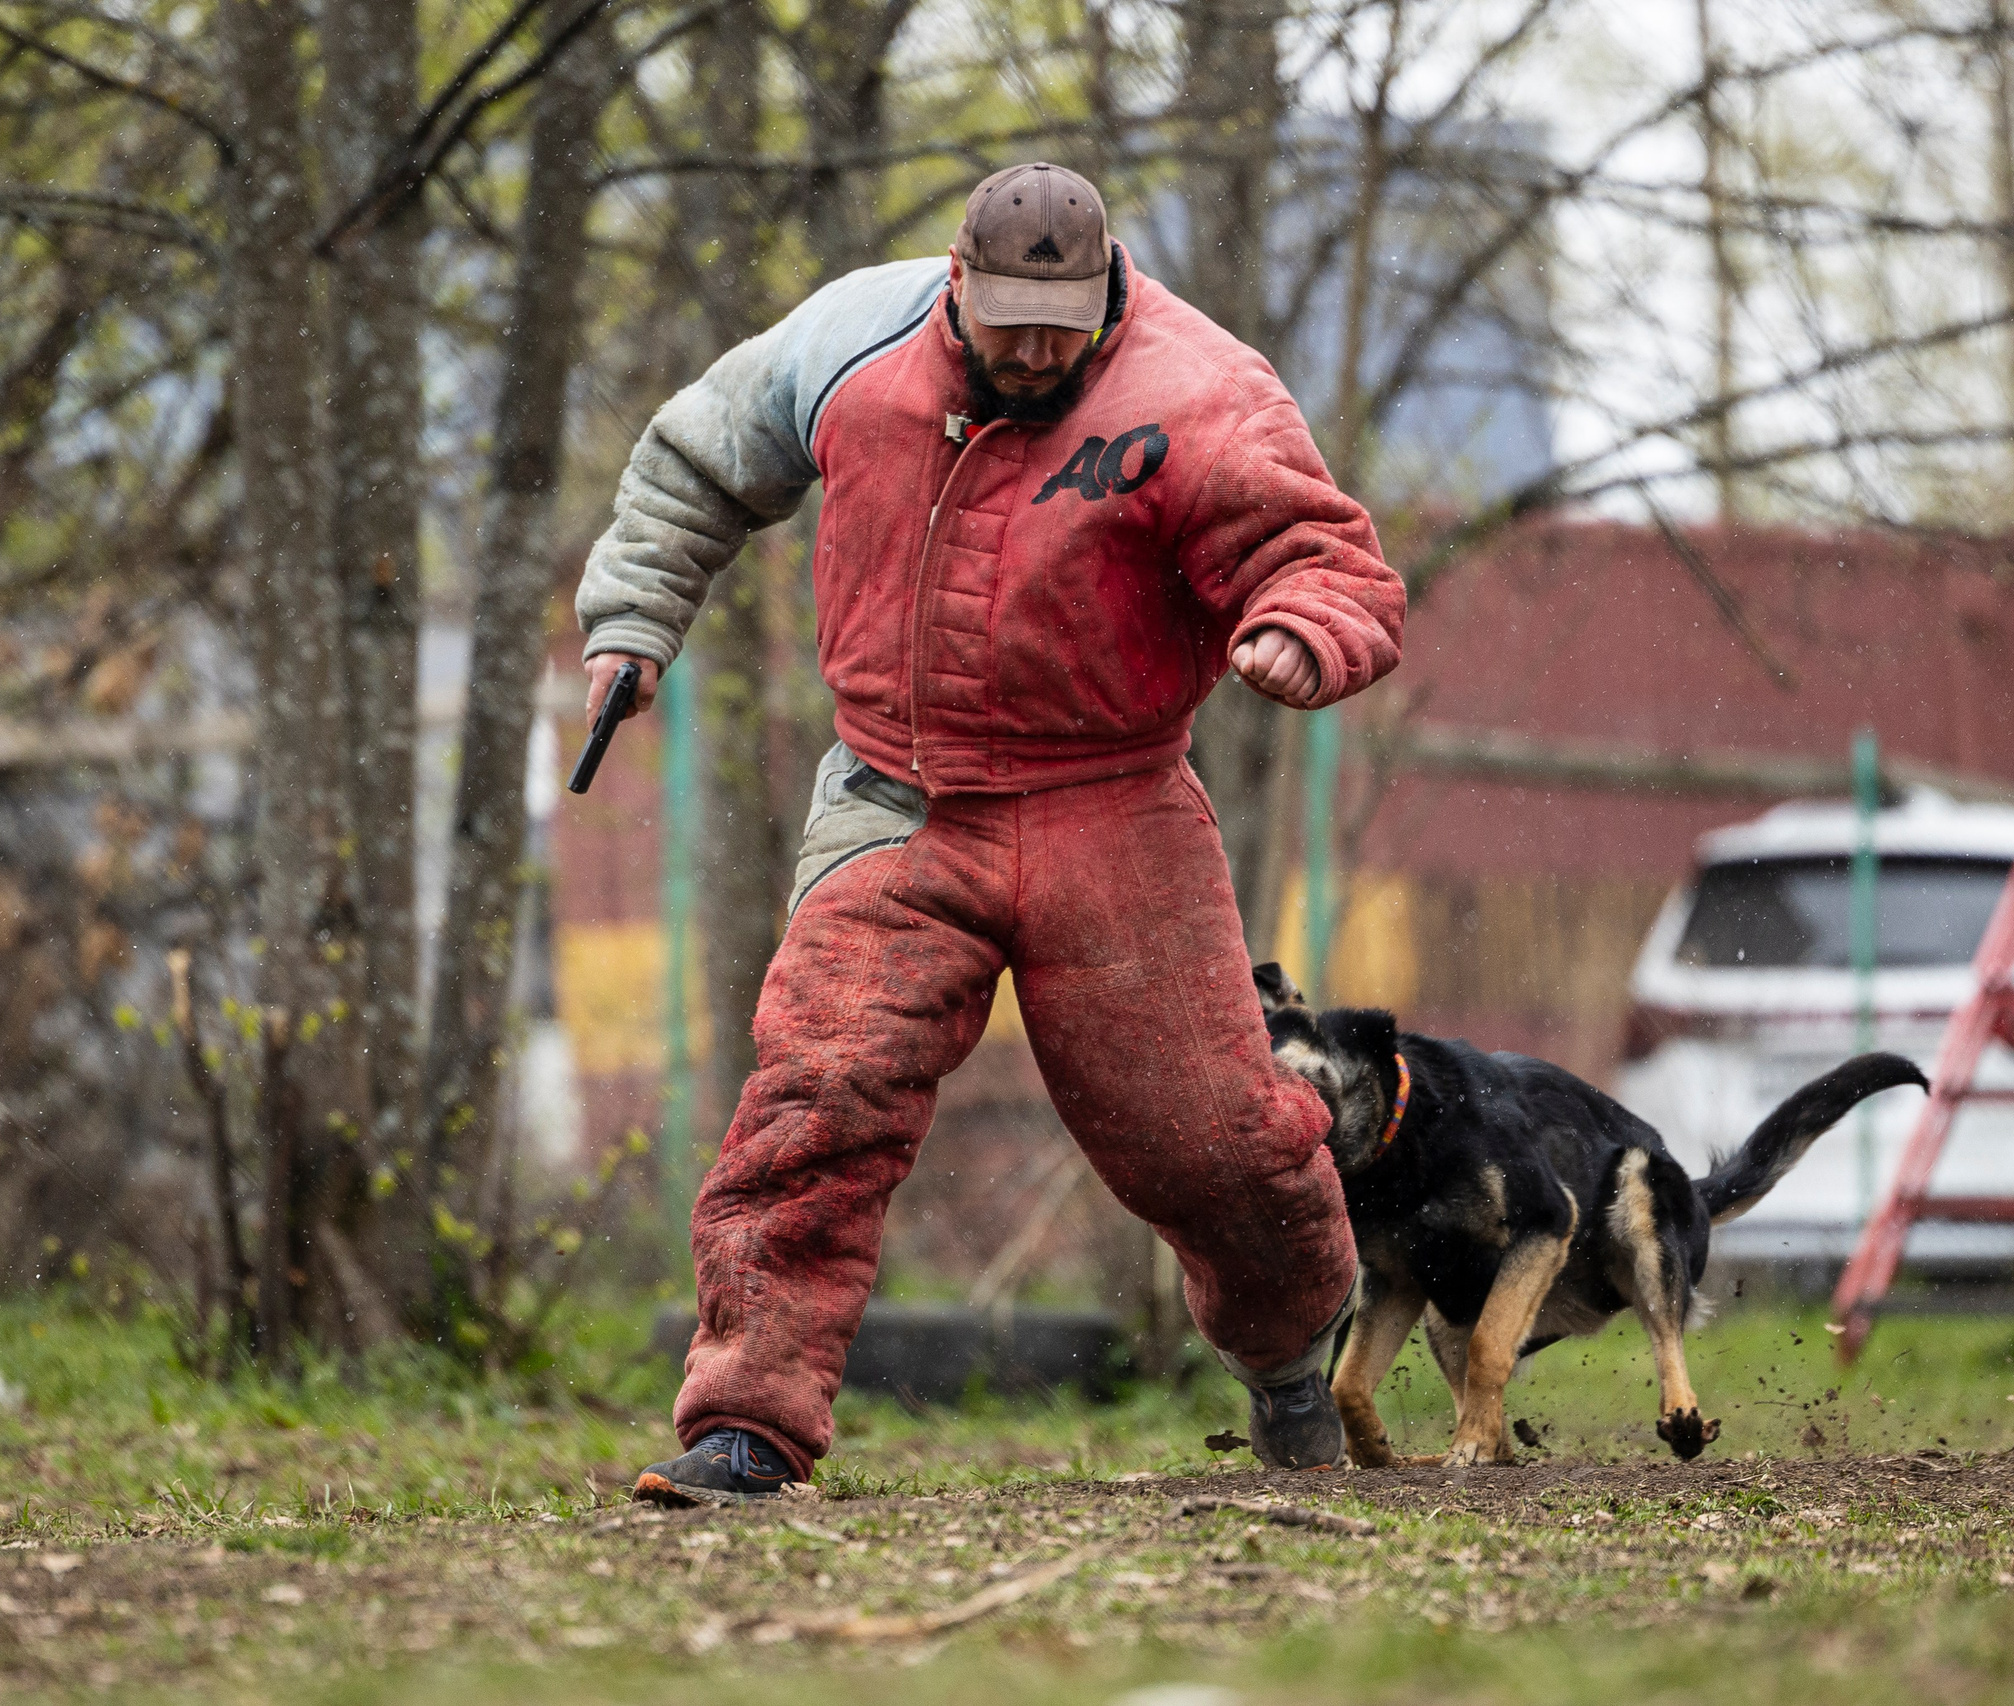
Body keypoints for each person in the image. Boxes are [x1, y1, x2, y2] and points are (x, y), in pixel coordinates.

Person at [578, 162, 1405, 1501]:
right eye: (1008, 318)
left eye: (1060, 325)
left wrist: (1302, 635)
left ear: (1106, 289)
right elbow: (692, 463)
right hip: (899, 796)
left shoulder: (1200, 393)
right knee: (817, 1095)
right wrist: (632, 624)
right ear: (955, 279)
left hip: (1114, 800)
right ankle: (746, 1425)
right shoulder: (849, 340)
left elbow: (1325, 554)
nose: (1033, 350)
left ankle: (1292, 1358)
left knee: (1211, 1142)